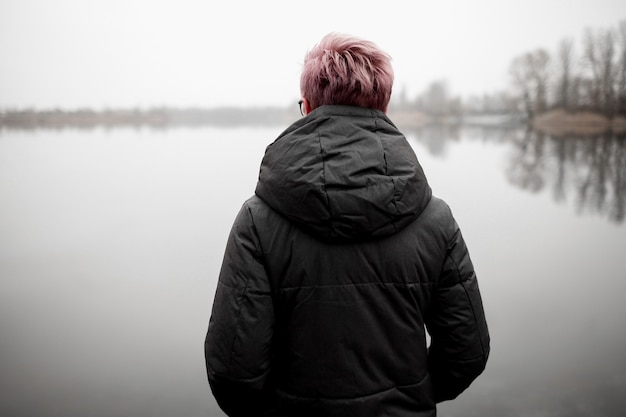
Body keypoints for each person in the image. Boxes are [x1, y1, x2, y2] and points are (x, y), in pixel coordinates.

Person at [204, 32, 490, 417]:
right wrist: (409, 395)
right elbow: (467, 352)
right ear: (384, 106)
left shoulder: (259, 221)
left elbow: (234, 374)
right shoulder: (435, 219)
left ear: (305, 106)